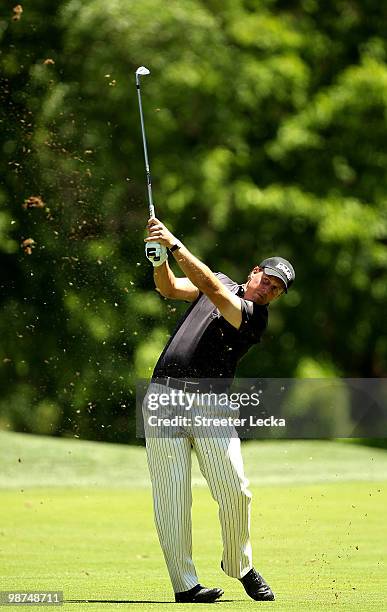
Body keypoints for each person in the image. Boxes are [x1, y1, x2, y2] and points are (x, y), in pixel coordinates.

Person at [142, 217, 295, 604]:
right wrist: (158, 259)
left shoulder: (253, 315)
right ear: (255, 271)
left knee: (236, 490)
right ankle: (185, 586)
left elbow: (209, 286)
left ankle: (239, 565)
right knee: (171, 497)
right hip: (163, 398)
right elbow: (170, 288)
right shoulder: (225, 280)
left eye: (277, 290)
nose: (269, 290)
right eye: (268, 280)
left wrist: (174, 244)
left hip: (210, 404)